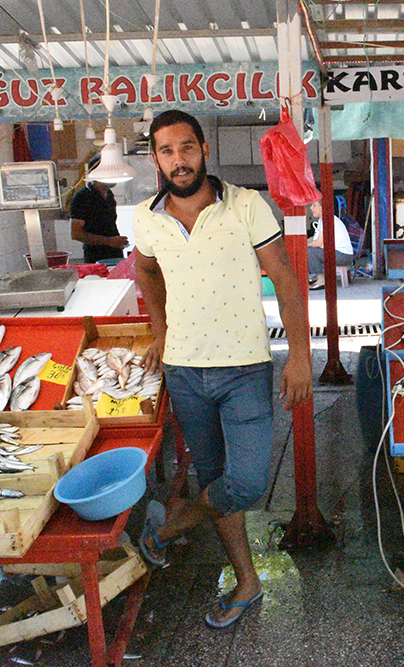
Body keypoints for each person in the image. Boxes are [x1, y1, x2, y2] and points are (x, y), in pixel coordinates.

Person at [132, 109, 312, 629]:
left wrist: (299, 356)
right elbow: (146, 270)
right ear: (155, 158)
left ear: (203, 150)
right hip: (185, 371)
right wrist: (160, 333)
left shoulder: (246, 205)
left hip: (245, 368)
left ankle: (167, 528)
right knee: (214, 477)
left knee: (249, 482)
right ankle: (247, 582)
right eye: (167, 151)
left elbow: (284, 280)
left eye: (186, 148)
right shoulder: (147, 217)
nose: (178, 160)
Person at [70, 155, 129, 263]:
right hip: (95, 257)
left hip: (115, 254)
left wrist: (117, 241)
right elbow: (76, 234)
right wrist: (109, 241)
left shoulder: (109, 195)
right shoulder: (82, 196)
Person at [306, 199, 354, 290]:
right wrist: (303, 242)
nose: (311, 208)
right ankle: (317, 277)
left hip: (343, 256)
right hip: (341, 254)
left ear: (322, 207)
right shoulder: (323, 219)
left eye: (314, 205)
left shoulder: (327, 219)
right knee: (309, 249)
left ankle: (321, 280)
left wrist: (304, 246)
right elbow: (315, 238)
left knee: (310, 252)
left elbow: (318, 243)